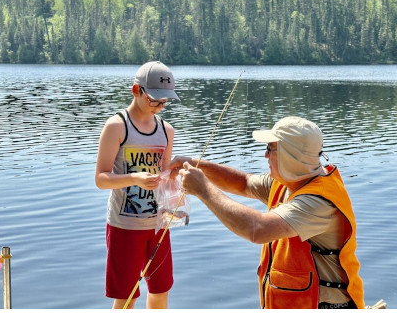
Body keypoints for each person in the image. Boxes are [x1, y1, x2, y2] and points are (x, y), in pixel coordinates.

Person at [169, 116, 365, 309]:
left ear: (289, 155)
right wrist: (195, 164)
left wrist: (203, 189)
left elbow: (258, 229)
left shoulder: (317, 202)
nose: (265, 156)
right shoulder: (291, 181)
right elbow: (243, 183)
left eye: (269, 149)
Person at [95, 61, 179, 309]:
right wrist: (135, 178)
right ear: (136, 90)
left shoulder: (167, 130)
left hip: (158, 226)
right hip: (124, 226)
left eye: (165, 101)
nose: (160, 106)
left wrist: (175, 178)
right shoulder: (116, 126)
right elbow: (100, 178)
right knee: (127, 296)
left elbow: (163, 177)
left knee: (160, 291)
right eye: (155, 99)